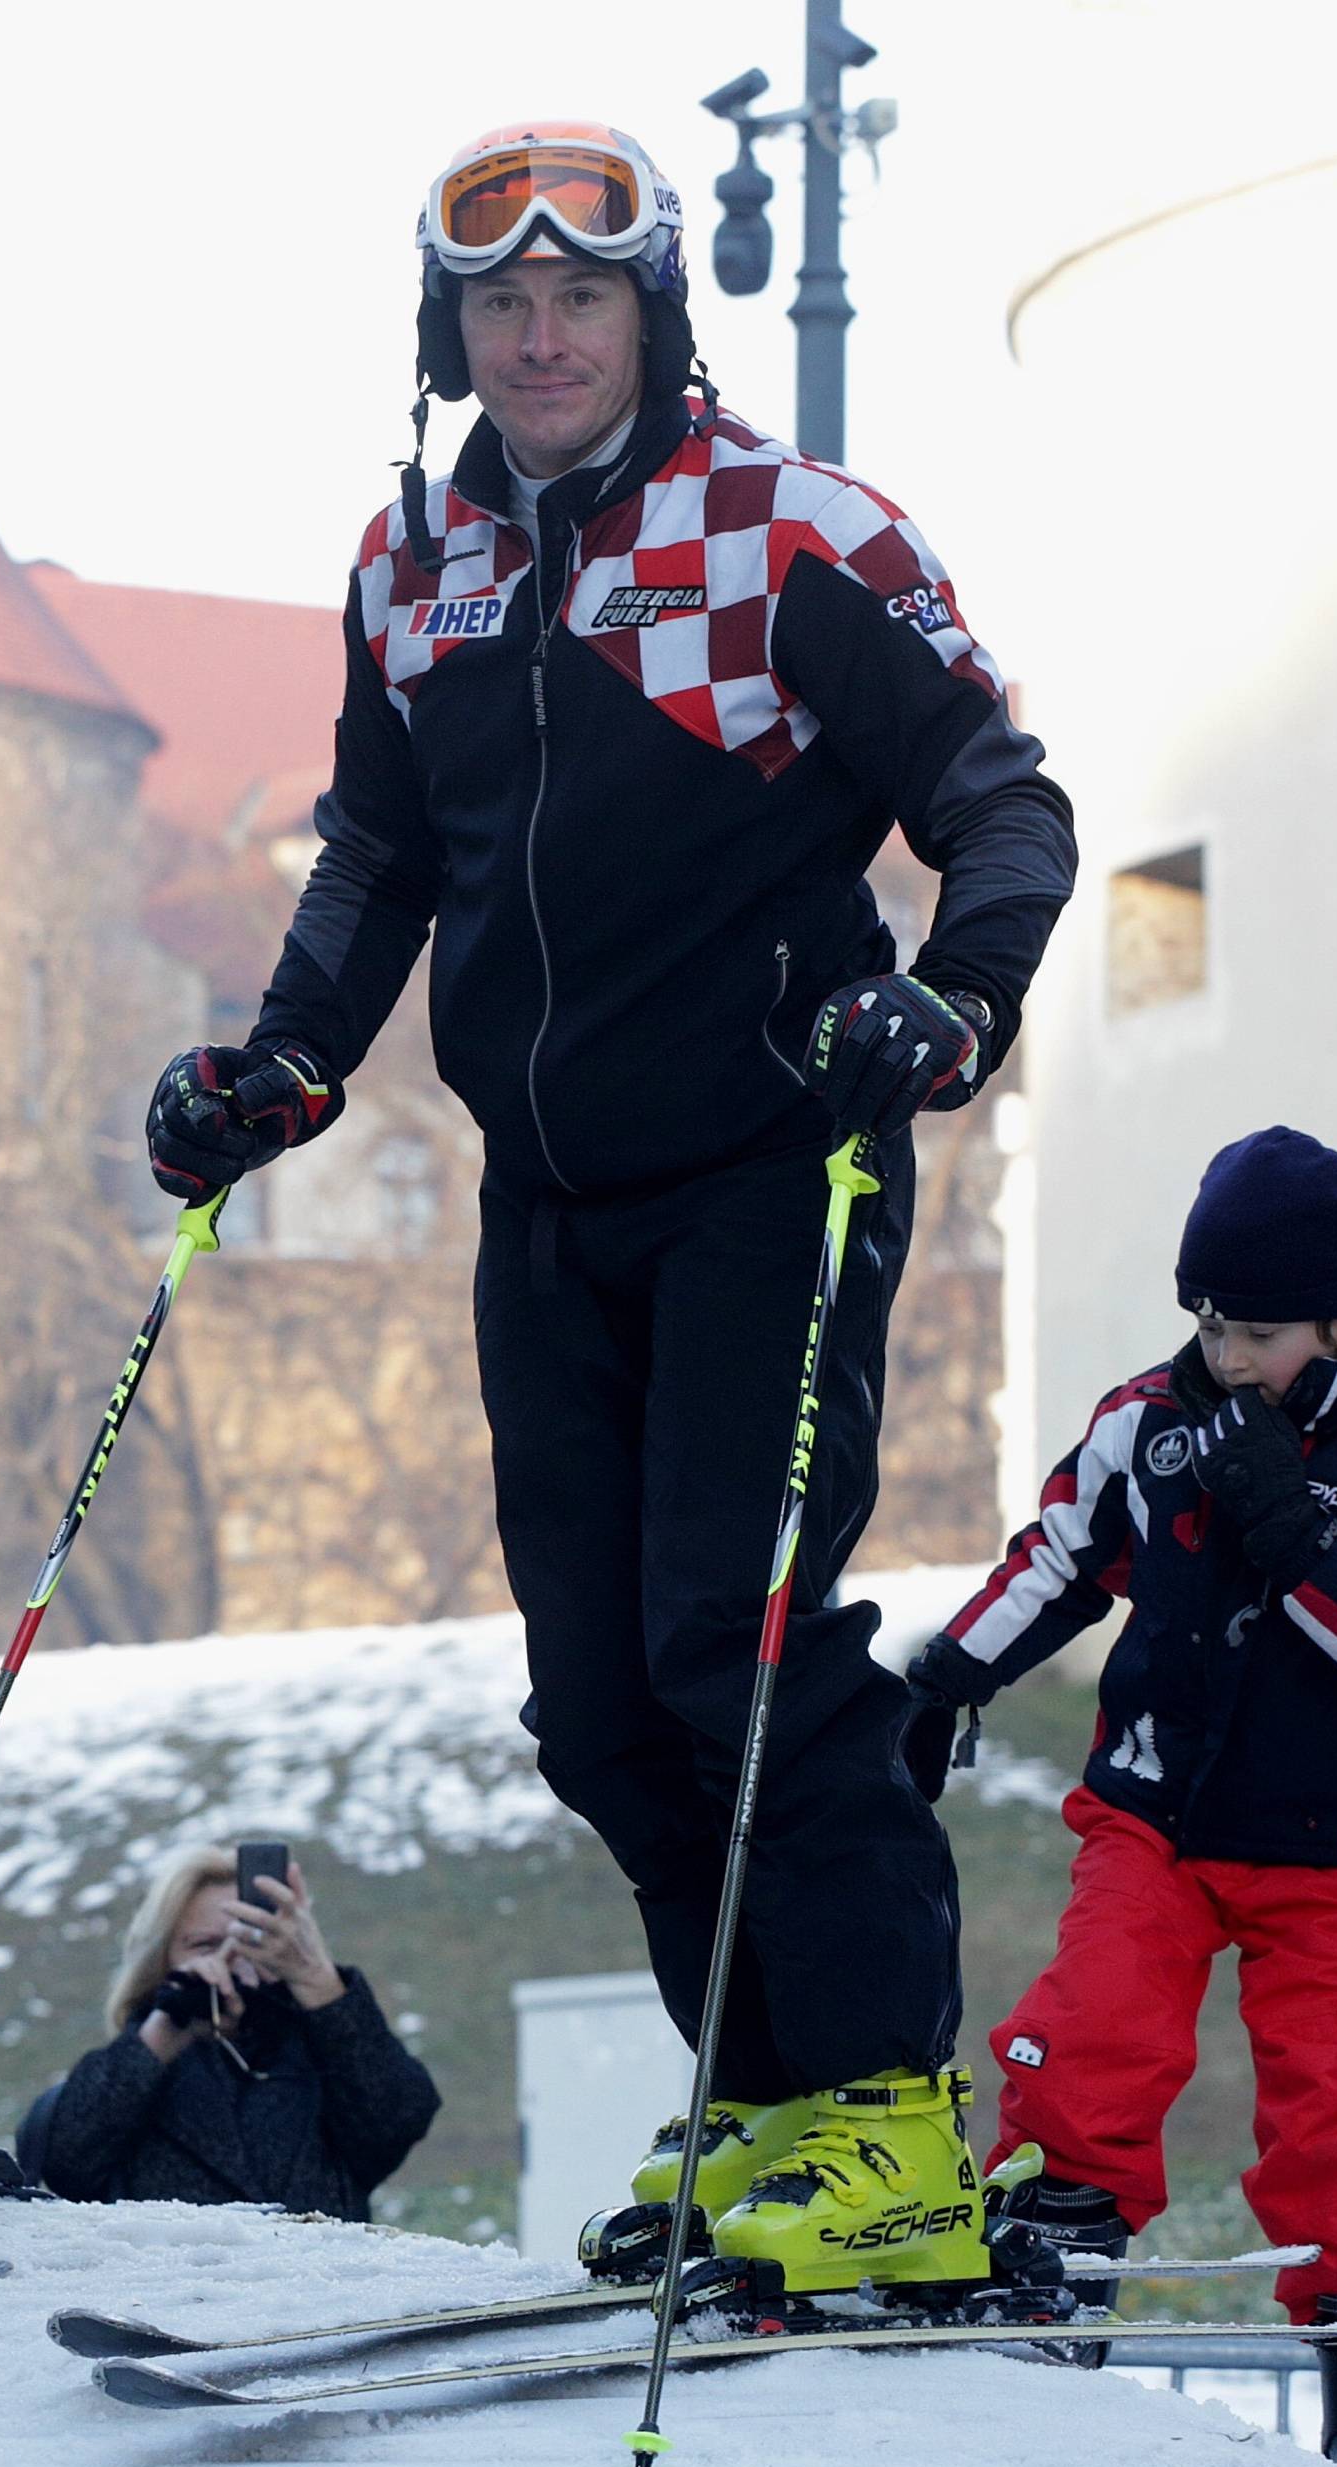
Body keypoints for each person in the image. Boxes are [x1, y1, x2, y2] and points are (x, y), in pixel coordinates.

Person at [142, 121, 1076, 2287]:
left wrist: (954, 1001)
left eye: (583, 298)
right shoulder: (415, 565)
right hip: (547, 1197)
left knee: (737, 1643)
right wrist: (288, 1056)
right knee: (596, 1696)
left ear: (652, 315)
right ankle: (764, 2114)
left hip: (779, 1155)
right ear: (449, 331)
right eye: (501, 304)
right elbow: (383, 853)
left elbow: (998, 799)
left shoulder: (783, 531)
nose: (541, 335)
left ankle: (891, 2126)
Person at [903, 1126, 1337, 2368]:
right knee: (1092, 2026)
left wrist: (1293, 1530)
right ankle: (1054, 2248)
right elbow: (1057, 1559)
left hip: (1331, 1850)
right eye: (1208, 1324)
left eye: (1256, 1333)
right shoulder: (1152, 1422)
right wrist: (948, 1674)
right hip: (1154, 1809)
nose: (1225, 1355)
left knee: (1336, 2100)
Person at [17, 1847, 440, 2215]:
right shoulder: (133, 2073)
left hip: (322, 2301)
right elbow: (62, 2161)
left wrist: (317, 1979)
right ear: (160, 1960)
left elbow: (401, 2115)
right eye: (204, 1945)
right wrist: (166, 2026)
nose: (229, 1959)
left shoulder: (327, 2066)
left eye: (251, 1941)